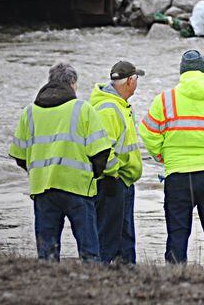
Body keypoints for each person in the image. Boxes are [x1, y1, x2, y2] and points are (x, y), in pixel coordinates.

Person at [138, 49, 204, 270]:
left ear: (181, 72)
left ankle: (175, 273)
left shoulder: (165, 99)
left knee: (177, 231)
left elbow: (148, 132)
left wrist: (163, 156)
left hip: (177, 174)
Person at [9, 63, 113, 262]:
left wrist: (36, 172)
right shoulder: (83, 109)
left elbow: (19, 155)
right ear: (72, 83)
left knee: (47, 253)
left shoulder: (29, 112)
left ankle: (48, 286)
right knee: (89, 251)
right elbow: (101, 151)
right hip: (78, 187)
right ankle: (93, 286)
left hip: (43, 188)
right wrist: (93, 174)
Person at [89, 60, 145, 264]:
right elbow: (103, 148)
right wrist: (112, 174)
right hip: (112, 182)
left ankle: (126, 268)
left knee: (123, 234)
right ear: (130, 81)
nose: (137, 82)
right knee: (108, 234)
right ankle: (101, 270)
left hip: (123, 180)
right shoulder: (109, 109)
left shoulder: (119, 105)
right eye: (136, 78)